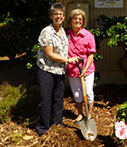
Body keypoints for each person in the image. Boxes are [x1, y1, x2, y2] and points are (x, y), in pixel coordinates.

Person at [36, 3, 79, 136]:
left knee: (59, 99)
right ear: (51, 16)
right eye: (56, 14)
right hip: (46, 70)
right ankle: (43, 128)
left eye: (61, 14)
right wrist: (68, 60)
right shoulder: (46, 32)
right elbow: (50, 54)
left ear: (64, 16)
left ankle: (57, 124)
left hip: (59, 71)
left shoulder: (63, 31)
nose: (59, 16)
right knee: (46, 99)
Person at [66, 9, 96, 124]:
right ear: (71, 20)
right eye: (75, 18)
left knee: (88, 93)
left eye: (80, 19)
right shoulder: (66, 35)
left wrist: (85, 68)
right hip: (72, 70)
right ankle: (80, 114)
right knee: (77, 94)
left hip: (87, 70)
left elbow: (91, 55)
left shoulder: (89, 36)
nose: (78, 21)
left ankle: (89, 115)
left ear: (83, 21)